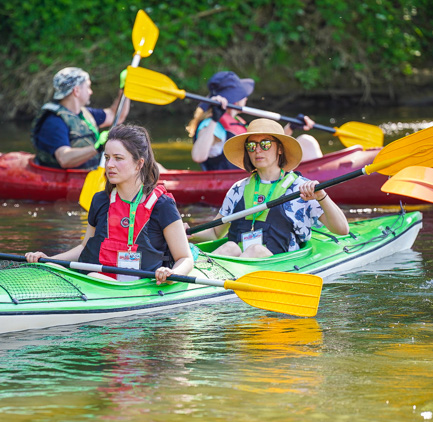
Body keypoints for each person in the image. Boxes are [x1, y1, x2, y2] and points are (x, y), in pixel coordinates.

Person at [26, 123, 193, 284]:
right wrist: (48, 260)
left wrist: (173, 274)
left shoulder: (162, 205)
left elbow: (184, 258)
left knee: (94, 276)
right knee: (67, 270)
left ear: (139, 164)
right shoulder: (100, 200)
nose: (109, 165)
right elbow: (85, 247)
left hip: (139, 287)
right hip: (97, 280)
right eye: (107, 158)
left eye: (118, 158)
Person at [188, 118, 349, 258]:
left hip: (280, 263)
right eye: (251, 146)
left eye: (264, 144)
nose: (257, 150)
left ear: (279, 149)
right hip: (235, 262)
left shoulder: (300, 189)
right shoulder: (238, 189)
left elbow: (342, 229)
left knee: (256, 250)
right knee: (230, 247)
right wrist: (187, 233)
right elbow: (216, 233)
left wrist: (321, 196)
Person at [186, 71, 322, 171]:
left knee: (306, 141)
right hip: (236, 180)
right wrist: (214, 120)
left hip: (255, 171)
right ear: (235, 99)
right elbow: (198, 156)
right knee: (307, 142)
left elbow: (267, 147)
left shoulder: (236, 120)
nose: (246, 98)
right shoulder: (211, 124)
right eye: (242, 94)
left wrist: (290, 128)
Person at [31, 66, 130, 170]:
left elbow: (117, 116)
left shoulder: (85, 113)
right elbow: (64, 159)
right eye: (88, 87)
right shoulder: (54, 122)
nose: (90, 91)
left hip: (91, 171)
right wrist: (98, 147)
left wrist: (124, 89)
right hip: (65, 178)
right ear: (76, 90)